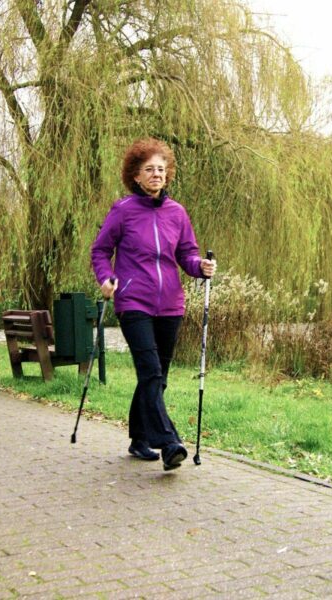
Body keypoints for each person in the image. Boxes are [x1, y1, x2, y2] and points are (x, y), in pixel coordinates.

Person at [91, 138, 216, 471]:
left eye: (161, 169)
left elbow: (187, 254)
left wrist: (200, 267)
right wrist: (106, 277)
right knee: (150, 372)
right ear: (136, 175)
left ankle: (139, 438)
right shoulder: (123, 211)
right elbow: (100, 251)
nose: (156, 174)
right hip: (133, 301)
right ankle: (169, 442)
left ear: (167, 174)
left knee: (157, 378)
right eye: (149, 169)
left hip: (171, 304)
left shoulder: (177, 213)